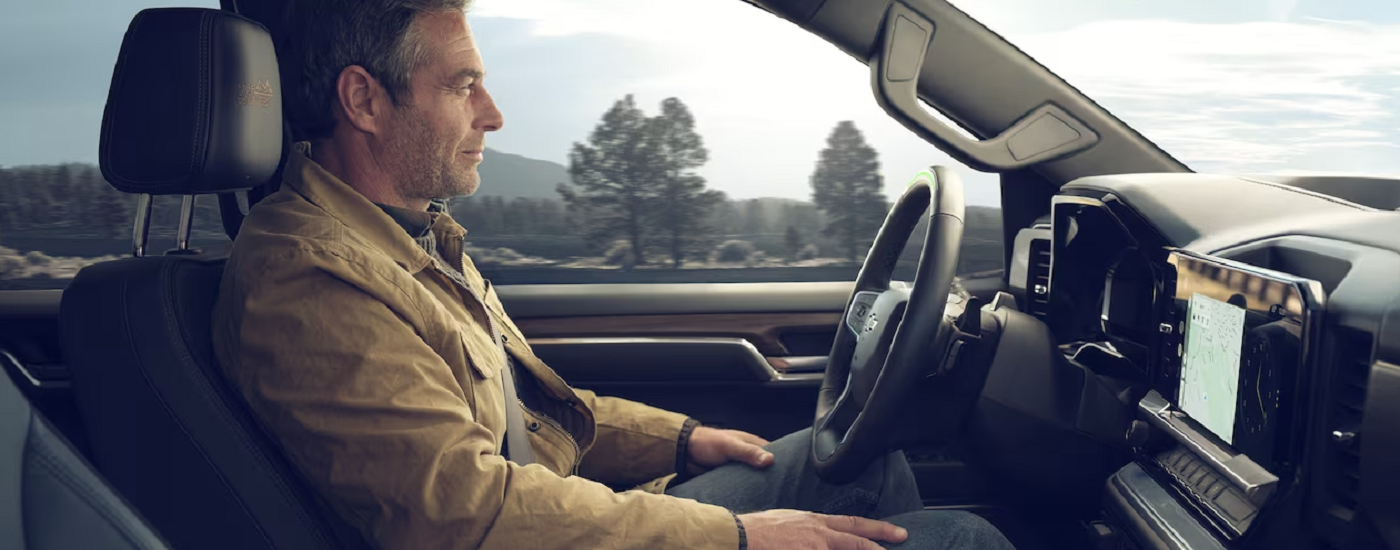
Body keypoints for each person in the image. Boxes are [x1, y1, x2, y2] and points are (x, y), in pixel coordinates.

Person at [210, 1, 1018, 549]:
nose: (492, 114)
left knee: (860, 461)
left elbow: (533, 408)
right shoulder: (310, 278)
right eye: (464, 86)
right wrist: (738, 538)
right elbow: (466, 512)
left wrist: (680, 439)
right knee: (963, 541)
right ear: (364, 100)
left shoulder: (405, 239)